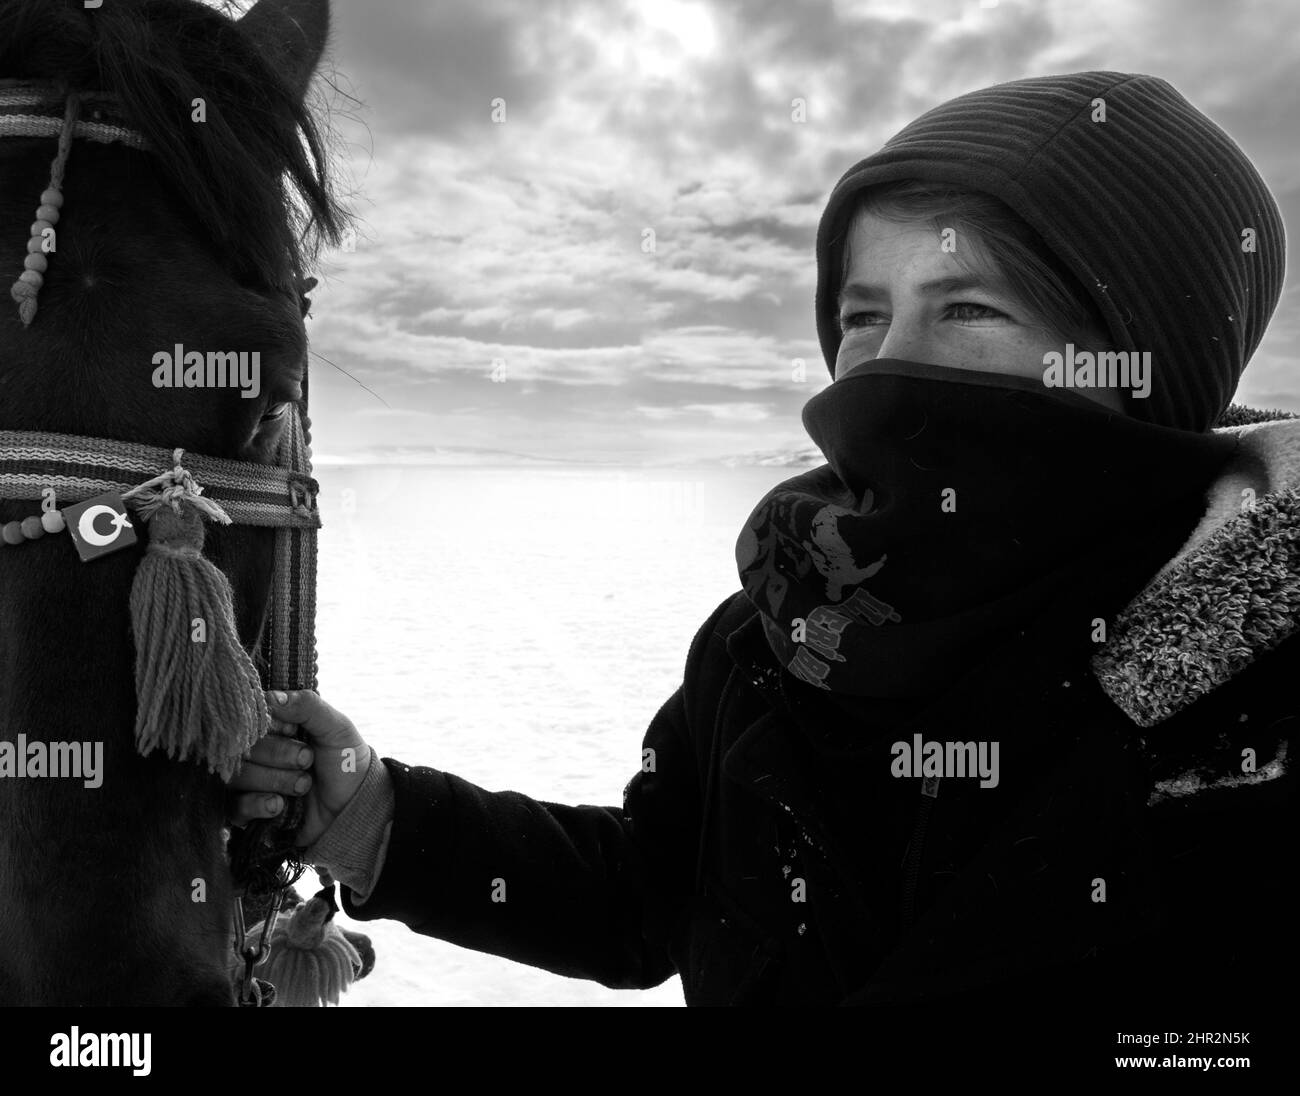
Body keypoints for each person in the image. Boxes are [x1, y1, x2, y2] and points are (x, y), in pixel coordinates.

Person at [225, 71, 1297, 1009]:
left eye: (969, 310)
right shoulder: (780, 627)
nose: (886, 365)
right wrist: (380, 819)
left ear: (1133, 363)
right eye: (864, 314)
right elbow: (653, 892)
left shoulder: (1249, 701)